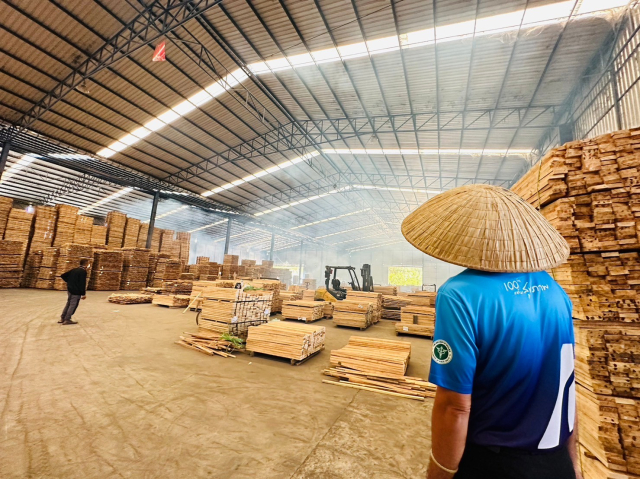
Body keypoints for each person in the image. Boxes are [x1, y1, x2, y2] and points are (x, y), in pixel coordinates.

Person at [401, 184, 581, 479]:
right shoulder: (556, 292)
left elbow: (455, 406)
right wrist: (573, 465)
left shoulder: (460, 294)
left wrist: (439, 472)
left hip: (494, 463)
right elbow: (567, 386)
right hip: (556, 461)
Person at [58, 258, 89, 325]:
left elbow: (63, 275)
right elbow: (82, 283)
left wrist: (69, 282)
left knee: (68, 303)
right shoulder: (83, 272)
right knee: (73, 305)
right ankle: (67, 319)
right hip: (76, 291)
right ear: (86, 264)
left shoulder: (74, 270)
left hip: (70, 289)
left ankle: (62, 318)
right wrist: (83, 294)